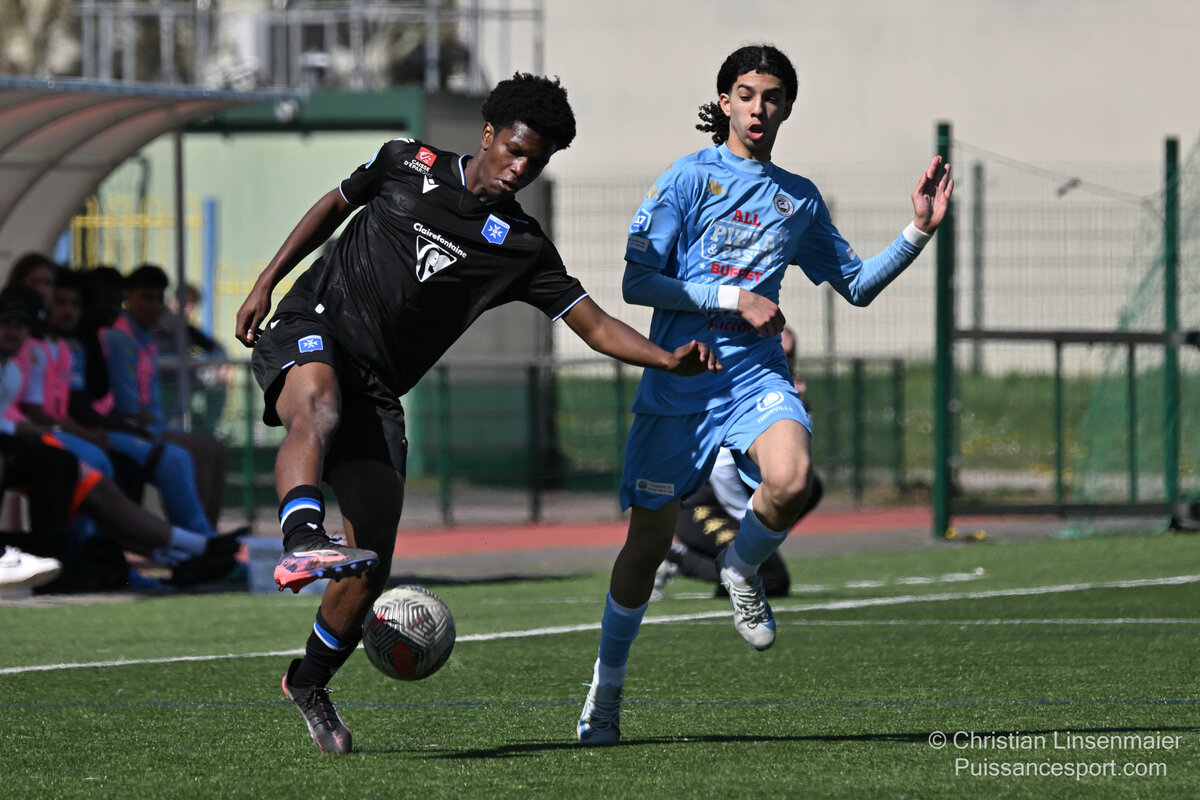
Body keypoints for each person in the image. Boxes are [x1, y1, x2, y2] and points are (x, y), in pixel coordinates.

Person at [235, 73, 720, 755]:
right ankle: (301, 535)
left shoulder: (521, 246)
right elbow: (334, 206)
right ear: (488, 135)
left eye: (535, 162)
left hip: (378, 385)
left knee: (370, 563)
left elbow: (592, 324)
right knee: (316, 406)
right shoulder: (405, 161)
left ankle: (309, 680)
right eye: (514, 151)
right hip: (311, 325)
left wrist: (666, 359)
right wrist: (267, 280)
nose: (520, 169)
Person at [576, 43, 952, 745]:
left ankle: (741, 565)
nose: (758, 108)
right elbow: (636, 282)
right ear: (725, 102)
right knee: (645, 547)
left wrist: (917, 232)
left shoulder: (797, 198)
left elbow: (856, 285)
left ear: (786, 107)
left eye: (771, 97)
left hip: (754, 377)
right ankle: (606, 692)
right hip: (682, 380)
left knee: (792, 478)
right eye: (746, 95)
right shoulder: (687, 178)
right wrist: (734, 297)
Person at [0, 285, 239, 590]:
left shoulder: (31, 361)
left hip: (46, 435)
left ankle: (190, 548)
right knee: (111, 464)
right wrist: (88, 430)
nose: (67, 310)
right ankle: (190, 547)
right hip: (43, 436)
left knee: (173, 457)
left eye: (19, 324)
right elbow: (40, 413)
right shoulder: (58, 348)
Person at [652, 327, 820, 601]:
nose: (786, 358)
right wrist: (749, 522)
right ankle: (671, 558)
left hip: (735, 504)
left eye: (790, 353)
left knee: (809, 485)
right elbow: (722, 465)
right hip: (699, 507)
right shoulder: (743, 388)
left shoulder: (787, 391)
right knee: (770, 578)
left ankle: (739, 561)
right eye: (781, 350)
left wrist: (801, 409)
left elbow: (792, 461)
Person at [102, 264, 230, 526]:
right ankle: (196, 536)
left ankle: (207, 533)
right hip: (131, 429)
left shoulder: (146, 339)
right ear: (129, 297)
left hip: (149, 426)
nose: (154, 306)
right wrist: (146, 419)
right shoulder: (119, 338)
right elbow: (127, 405)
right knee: (195, 453)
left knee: (215, 449)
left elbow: (211, 345)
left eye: (158, 299)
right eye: (147, 298)